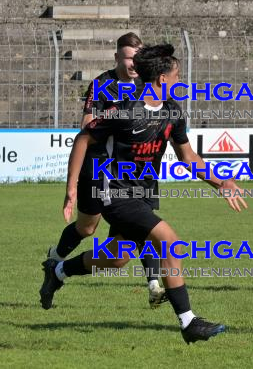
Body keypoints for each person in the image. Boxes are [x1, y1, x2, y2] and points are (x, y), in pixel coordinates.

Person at [40, 43, 248, 344]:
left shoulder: (172, 113)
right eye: (176, 76)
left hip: (142, 191)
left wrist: (222, 183)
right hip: (111, 190)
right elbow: (83, 138)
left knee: (118, 258)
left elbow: (189, 158)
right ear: (163, 79)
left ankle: (58, 270)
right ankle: (188, 322)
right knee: (170, 241)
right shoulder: (124, 110)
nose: (179, 82)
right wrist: (72, 187)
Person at [45, 32, 167, 308]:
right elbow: (87, 124)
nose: (133, 65)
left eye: (137, 58)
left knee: (141, 224)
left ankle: (154, 285)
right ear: (116, 57)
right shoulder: (102, 84)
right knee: (87, 228)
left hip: (133, 170)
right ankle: (56, 259)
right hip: (100, 166)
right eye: (127, 59)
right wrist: (118, 116)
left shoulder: (146, 86)